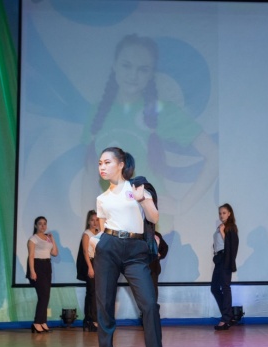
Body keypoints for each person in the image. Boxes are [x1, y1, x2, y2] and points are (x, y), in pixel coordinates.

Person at [86, 33, 217, 225]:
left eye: (143, 69)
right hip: (112, 223)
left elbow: (214, 154)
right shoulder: (97, 112)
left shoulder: (163, 111)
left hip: (152, 225)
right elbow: (90, 175)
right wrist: (91, 223)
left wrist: (182, 205)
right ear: (114, 66)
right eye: (126, 65)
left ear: (151, 74)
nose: (133, 75)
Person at [94, 146, 169, 347]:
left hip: (136, 250)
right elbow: (103, 229)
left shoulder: (138, 187)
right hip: (109, 247)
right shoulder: (102, 199)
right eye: (100, 163)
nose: (102, 167)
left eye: (107, 162)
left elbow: (154, 218)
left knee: (149, 305)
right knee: (105, 306)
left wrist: (142, 199)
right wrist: (96, 242)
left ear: (121, 164)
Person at [26, 216, 58, 334]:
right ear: (36, 225)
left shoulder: (48, 238)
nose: (43, 226)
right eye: (40, 224)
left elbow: (54, 253)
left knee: (46, 295)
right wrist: (32, 271)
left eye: (44, 223)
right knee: (43, 295)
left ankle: (43, 321)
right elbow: (31, 256)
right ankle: (36, 322)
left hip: (47, 266)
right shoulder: (33, 239)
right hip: (37, 266)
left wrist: (52, 239)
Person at [211, 203, 239, 331]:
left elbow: (231, 245)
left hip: (225, 259)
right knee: (215, 288)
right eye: (220, 213)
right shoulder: (221, 227)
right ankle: (228, 315)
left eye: (224, 213)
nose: (221, 215)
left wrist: (222, 232)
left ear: (229, 214)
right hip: (219, 258)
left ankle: (226, 318)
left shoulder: (230, 227)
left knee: (225, 287)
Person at [76, 210, 100, 332]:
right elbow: (85, 252)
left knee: (93, 292)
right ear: (88, 221)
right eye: (92, 220)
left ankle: (88, 320)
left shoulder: (99, 233)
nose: (95, 222)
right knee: (92, 293)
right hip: (90, 263)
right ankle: (92, 320)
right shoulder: (87, 234)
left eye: (97, 220)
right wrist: (90, 267)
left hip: (98, 263)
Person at [150, 231, 169, 302]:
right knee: (142, 292)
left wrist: (159, 256)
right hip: (141, 268)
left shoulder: (156, 234)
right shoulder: (138, 233)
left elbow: (165, 247)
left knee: (152, 291)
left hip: (153, 269)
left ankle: (152, 308)